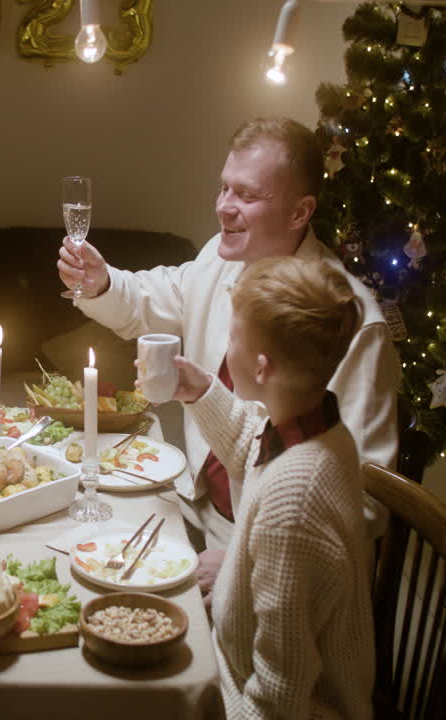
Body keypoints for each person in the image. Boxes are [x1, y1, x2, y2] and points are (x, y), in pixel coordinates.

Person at [57, 116, 399, 554]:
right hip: (192, 506)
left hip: (268, 546)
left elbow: (363, 500)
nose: (224, 206)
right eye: (225, 188)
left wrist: (246, 561)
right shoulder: (220, 259)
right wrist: (101, 281)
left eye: (248, 195)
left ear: (300, 212)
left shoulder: (350, 322)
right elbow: (148, 299)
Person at [174, 256, 374, 719]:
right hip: (233, 661)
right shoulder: (321, 430)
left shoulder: (295, 501)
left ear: (261, 367)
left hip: (255, 700)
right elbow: (254, 455)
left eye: (233, 339)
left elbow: (280, 697)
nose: (225, 353)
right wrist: (203, 390)